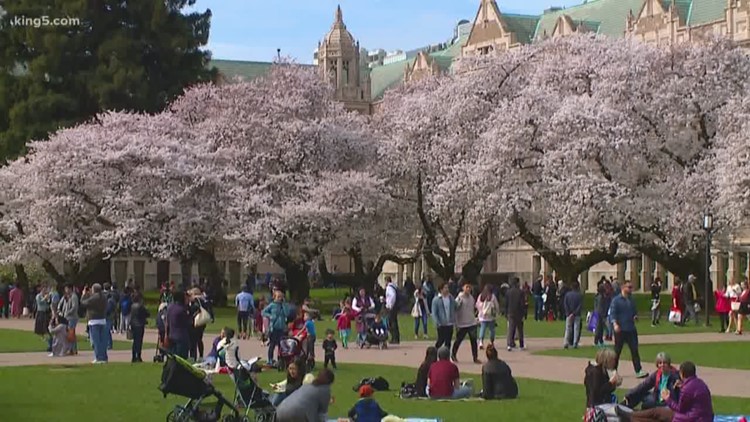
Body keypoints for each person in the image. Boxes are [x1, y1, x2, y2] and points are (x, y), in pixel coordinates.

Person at [628, 361, 713, 422]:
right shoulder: (700, 383)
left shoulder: (686, 389)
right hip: (703, 417)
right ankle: (630, 415)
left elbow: (679, 409)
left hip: (691, 419)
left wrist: (667, 398)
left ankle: (629, 415)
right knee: (657, 412)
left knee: (656, 414)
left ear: (682, 373)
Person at [610, 280, 648, 378]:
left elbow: (634, 311)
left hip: (631, 328)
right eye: (629, 287)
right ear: (623, 288)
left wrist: (635, 316)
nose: (631, 289)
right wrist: (615, 324)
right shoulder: (616, 300)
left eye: (631, 287)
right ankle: (613, 370)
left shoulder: (631, 300)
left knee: (634, 350)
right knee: (617, 351)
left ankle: (638, 370)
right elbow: (612, 313)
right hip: (621, 329)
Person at [452, 281, 479, 363]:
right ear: (463, 288)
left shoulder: (471, 298)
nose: (468, 289)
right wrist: (456, 323)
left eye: (469, 287)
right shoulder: (459, 298)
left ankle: (475, 357)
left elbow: (473, 308)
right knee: (458, 340)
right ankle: (453, 355)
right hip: (462, 323)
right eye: (466, 287)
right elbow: (455, 309)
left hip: (471, 322)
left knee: (474, 341)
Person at [80, 283, 108, 364]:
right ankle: (104, 357)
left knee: (96, 341)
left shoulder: (93, 298)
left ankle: (98, 357)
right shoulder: (104, 297)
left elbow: (83, 303)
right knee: (102, 341)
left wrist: (84, 295)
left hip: (94, 321)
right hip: (102, 319)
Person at [262, 290, 290, 366]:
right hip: (273, 328)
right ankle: (270, 360)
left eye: (281, 297)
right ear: (274, 297)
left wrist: (284, 304)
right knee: (272, 344)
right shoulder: (272, 305)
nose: (280, 298)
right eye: (278, 297)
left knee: (281, 344)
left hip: (281, 327)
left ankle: (280, 359)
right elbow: (263, 312)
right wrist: (270, 316)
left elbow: (287, 313)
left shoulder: (283, 305)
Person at [165, 289, 191, 359]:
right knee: (181, 358)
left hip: (171, 336)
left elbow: (167, 323)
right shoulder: (182, 309)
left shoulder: (170, 307)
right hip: (181, 337)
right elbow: (188, 323)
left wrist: (166, 335)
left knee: (173, 358)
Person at [431, 283, 456, 350]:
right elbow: (434, 312)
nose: (447, 289)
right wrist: (437, 322)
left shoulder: (451, 298)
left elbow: (455, 307)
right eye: (445, 288)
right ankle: (435, 352)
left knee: (448, 341)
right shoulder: (436, 299)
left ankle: (446, 357)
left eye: (447, 288)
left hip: (450, 323)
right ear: (441, 290)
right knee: (441, 340)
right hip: (441, 323)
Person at [505, 277, 525, 352]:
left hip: (510, 312)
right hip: (518, 312)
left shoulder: (508, 292)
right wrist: (523, 313)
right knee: (520, 329)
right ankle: (521, 344)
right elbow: (522, 304)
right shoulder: (520, 292)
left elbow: (506, 304)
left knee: (511, 329)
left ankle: (509, 344)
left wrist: (506, 313)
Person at [476, 284, 499, 349]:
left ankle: (481, 342)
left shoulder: (481, 296)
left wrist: (480, 311)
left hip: (483, 316)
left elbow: (477, 305)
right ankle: (491, 342)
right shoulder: (493, 297)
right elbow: (496, 305)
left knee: (482, 329)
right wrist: (497, 312)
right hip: (491, 316)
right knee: (492, 330)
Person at [129, 292, 150, 363]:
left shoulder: (132, 306)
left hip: (133, 325)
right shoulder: (141, 306)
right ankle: (138, 356)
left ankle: (134, 356)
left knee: (135, 341)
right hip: (139, 325)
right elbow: (147, 314)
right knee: (139, 341)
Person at [563, 281, 583, 349]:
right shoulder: (579, 295)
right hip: (576, 314)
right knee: (576, 328)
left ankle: (566, 342)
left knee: (568, 328)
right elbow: (580, 306)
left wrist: (569, 313)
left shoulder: (567, 295)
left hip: (569, 314)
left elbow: (565, 304)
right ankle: (575, 343)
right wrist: (574, 313)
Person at [384, 276, 400, 345]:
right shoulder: (394, 287)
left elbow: (392, 296)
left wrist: (390, 305)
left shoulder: (389, 288)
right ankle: (396, 338)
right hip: (394, 306)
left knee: (391, 322)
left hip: (391, 307)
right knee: (394, 322)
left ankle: (394, 338)